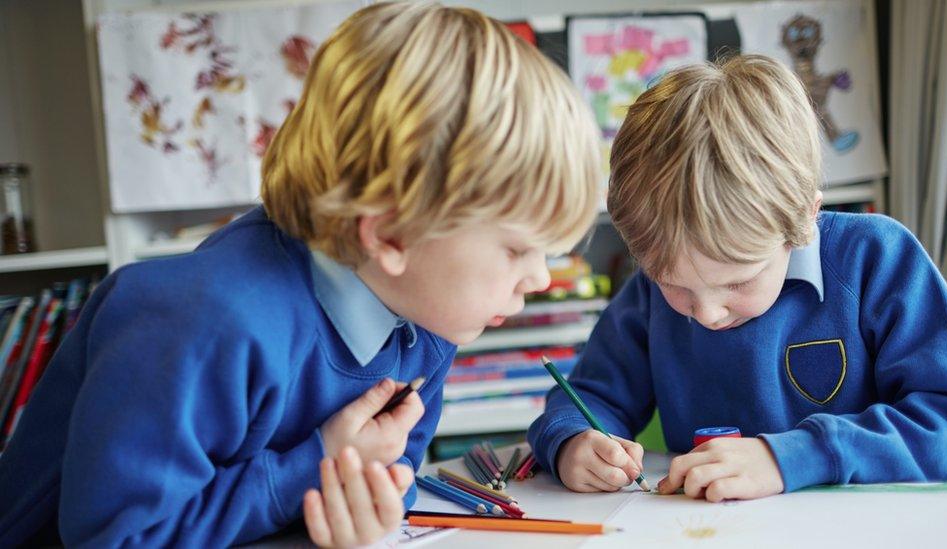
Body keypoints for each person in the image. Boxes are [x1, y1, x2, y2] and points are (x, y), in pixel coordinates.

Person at [0, 2, 602, 546]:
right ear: (390, 235)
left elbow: (389, 490)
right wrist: (317, 468)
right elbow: (117, 537)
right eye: (519, 250)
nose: (541, 280)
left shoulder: (425, 318)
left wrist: (370, 502)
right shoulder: (201, 321)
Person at [529, 54, 947, 503]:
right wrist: (572, 441)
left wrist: (793, 456)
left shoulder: (876, 260)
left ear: (804, 219)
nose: (705, 313)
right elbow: (586, 397)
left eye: (738, 283)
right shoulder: (651, 291)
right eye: (675, 285)